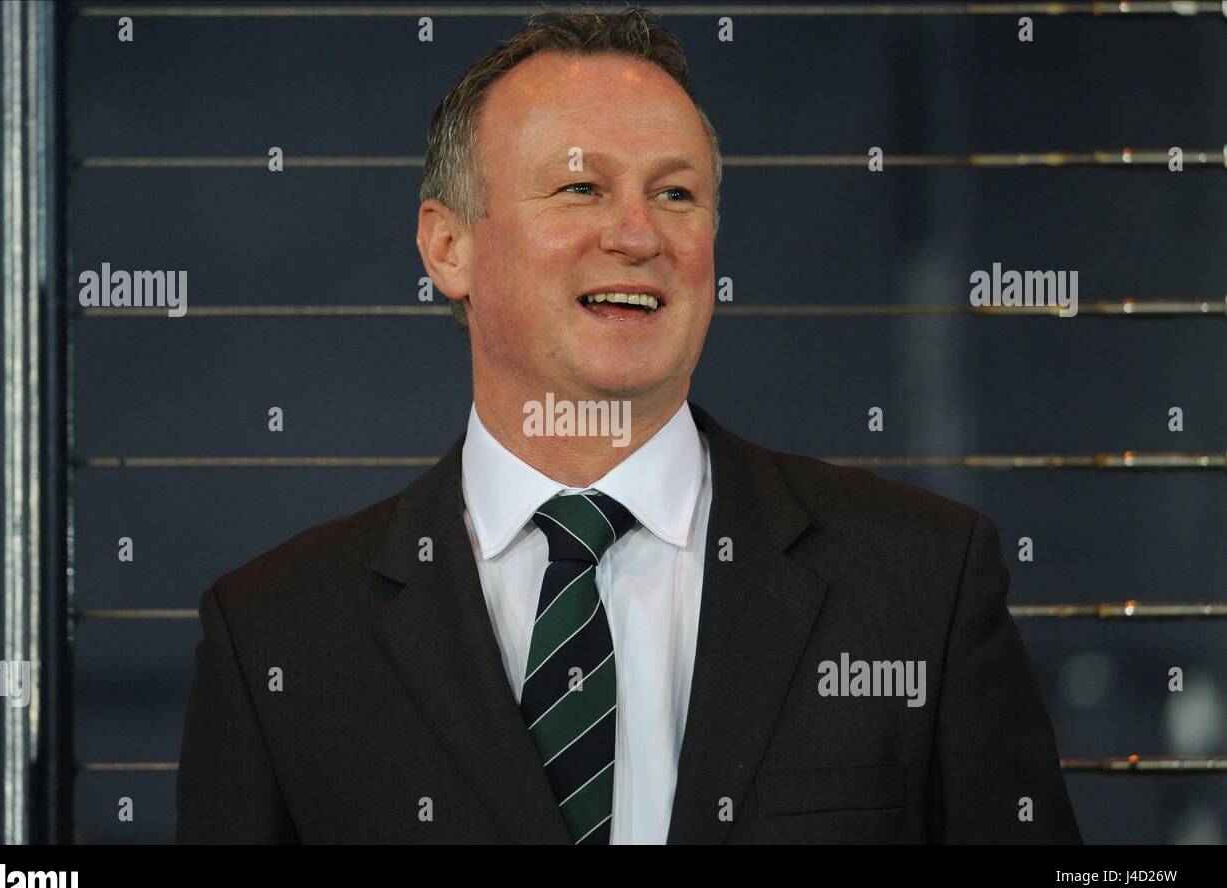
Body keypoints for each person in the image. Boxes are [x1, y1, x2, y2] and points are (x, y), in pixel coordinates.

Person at [177, 7, 1081, 844]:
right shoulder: (277, 637)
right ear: (448, 248)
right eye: (580, 188)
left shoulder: (922, 581)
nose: (638, 234)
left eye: (677, 195)